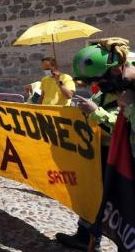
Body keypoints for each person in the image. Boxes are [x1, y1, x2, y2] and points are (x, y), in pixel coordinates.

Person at [55, 40, 129, 250]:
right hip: (101, 151)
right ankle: (85, 236)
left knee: (122, 204)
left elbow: (125, 126)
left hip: (124, 157)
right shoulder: (110, 85)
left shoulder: (129, 85)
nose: (97, 86)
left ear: (114, 70)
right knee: (91, 192)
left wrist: (95, 112)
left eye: (99, 81)